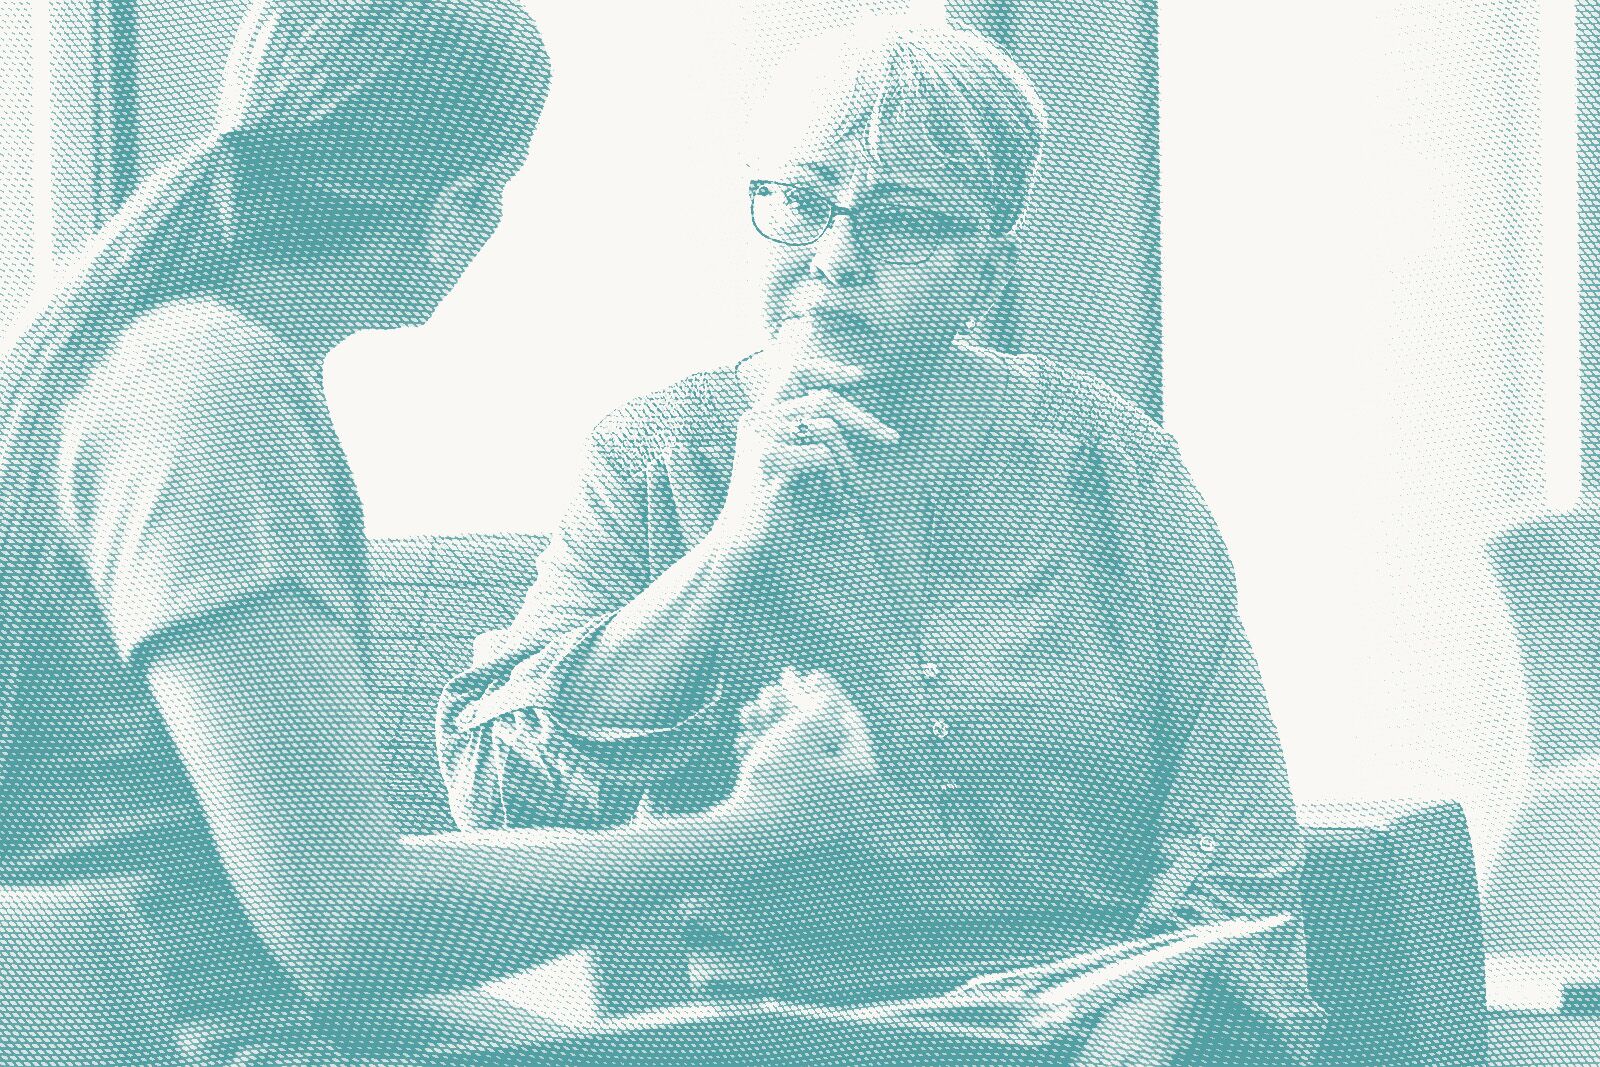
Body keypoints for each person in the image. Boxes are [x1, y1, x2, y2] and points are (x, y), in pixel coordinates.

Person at [0, 1, 881, 1064]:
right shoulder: (216, 394)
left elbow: (283, 910)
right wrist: (751, 828)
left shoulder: (159, 358)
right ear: (456, 205)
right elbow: (350, 926)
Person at [438, 19, 1324, 1067]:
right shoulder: (652, 458)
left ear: (988, 269)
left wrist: (1128, 1044)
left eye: (897, 219)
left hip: (1117, 1025)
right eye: (800, 201)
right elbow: (504, 797)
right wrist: (727, 551)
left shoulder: (1113, 463)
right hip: (798, 1039)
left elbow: (1236, 827)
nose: (834, 256)